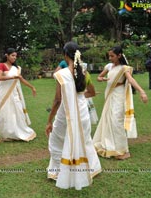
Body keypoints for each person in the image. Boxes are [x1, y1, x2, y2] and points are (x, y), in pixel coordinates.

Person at [45, 41, 102, 190]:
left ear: (65, 55)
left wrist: (49, 120)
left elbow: (58, 100)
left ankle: (61, 172)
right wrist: (80, 97)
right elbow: (92, 92)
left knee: (57, 141)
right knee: (84, 141)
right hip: (83, 113)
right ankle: (90, 169)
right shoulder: (83, 71)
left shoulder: (60, 74)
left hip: (66, 114)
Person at [93, 46, 148, 160]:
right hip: (110, 95)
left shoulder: (124, 68)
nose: (110, 58)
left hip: (119, 95)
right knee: (108, 119)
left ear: (119, 55)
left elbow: (131, 80)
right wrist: (101, 79)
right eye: (109, 55)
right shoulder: (108, 66)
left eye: (112, 56)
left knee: (117, 121)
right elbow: (99, 77)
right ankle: (110, 146)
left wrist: (142, 92)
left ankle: (124, 150)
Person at [0, 48, 37, 141]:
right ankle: (7, 133)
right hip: (4, 94)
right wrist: (12, 77)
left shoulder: (16, 68)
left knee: (17, 110)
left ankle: (18, 130)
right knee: (6, 112)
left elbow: (22, 80)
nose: (14, 57)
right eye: (12, 55)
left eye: (15, 56)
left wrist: (32, 87)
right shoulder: (1, 65)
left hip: (14, 94)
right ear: (7, 55)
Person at [55, 60, 99, 124]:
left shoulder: (63, 72)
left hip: (69, 102)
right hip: (82, 102)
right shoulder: (86, 73)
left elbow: (56, 73)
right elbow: (92, 93)